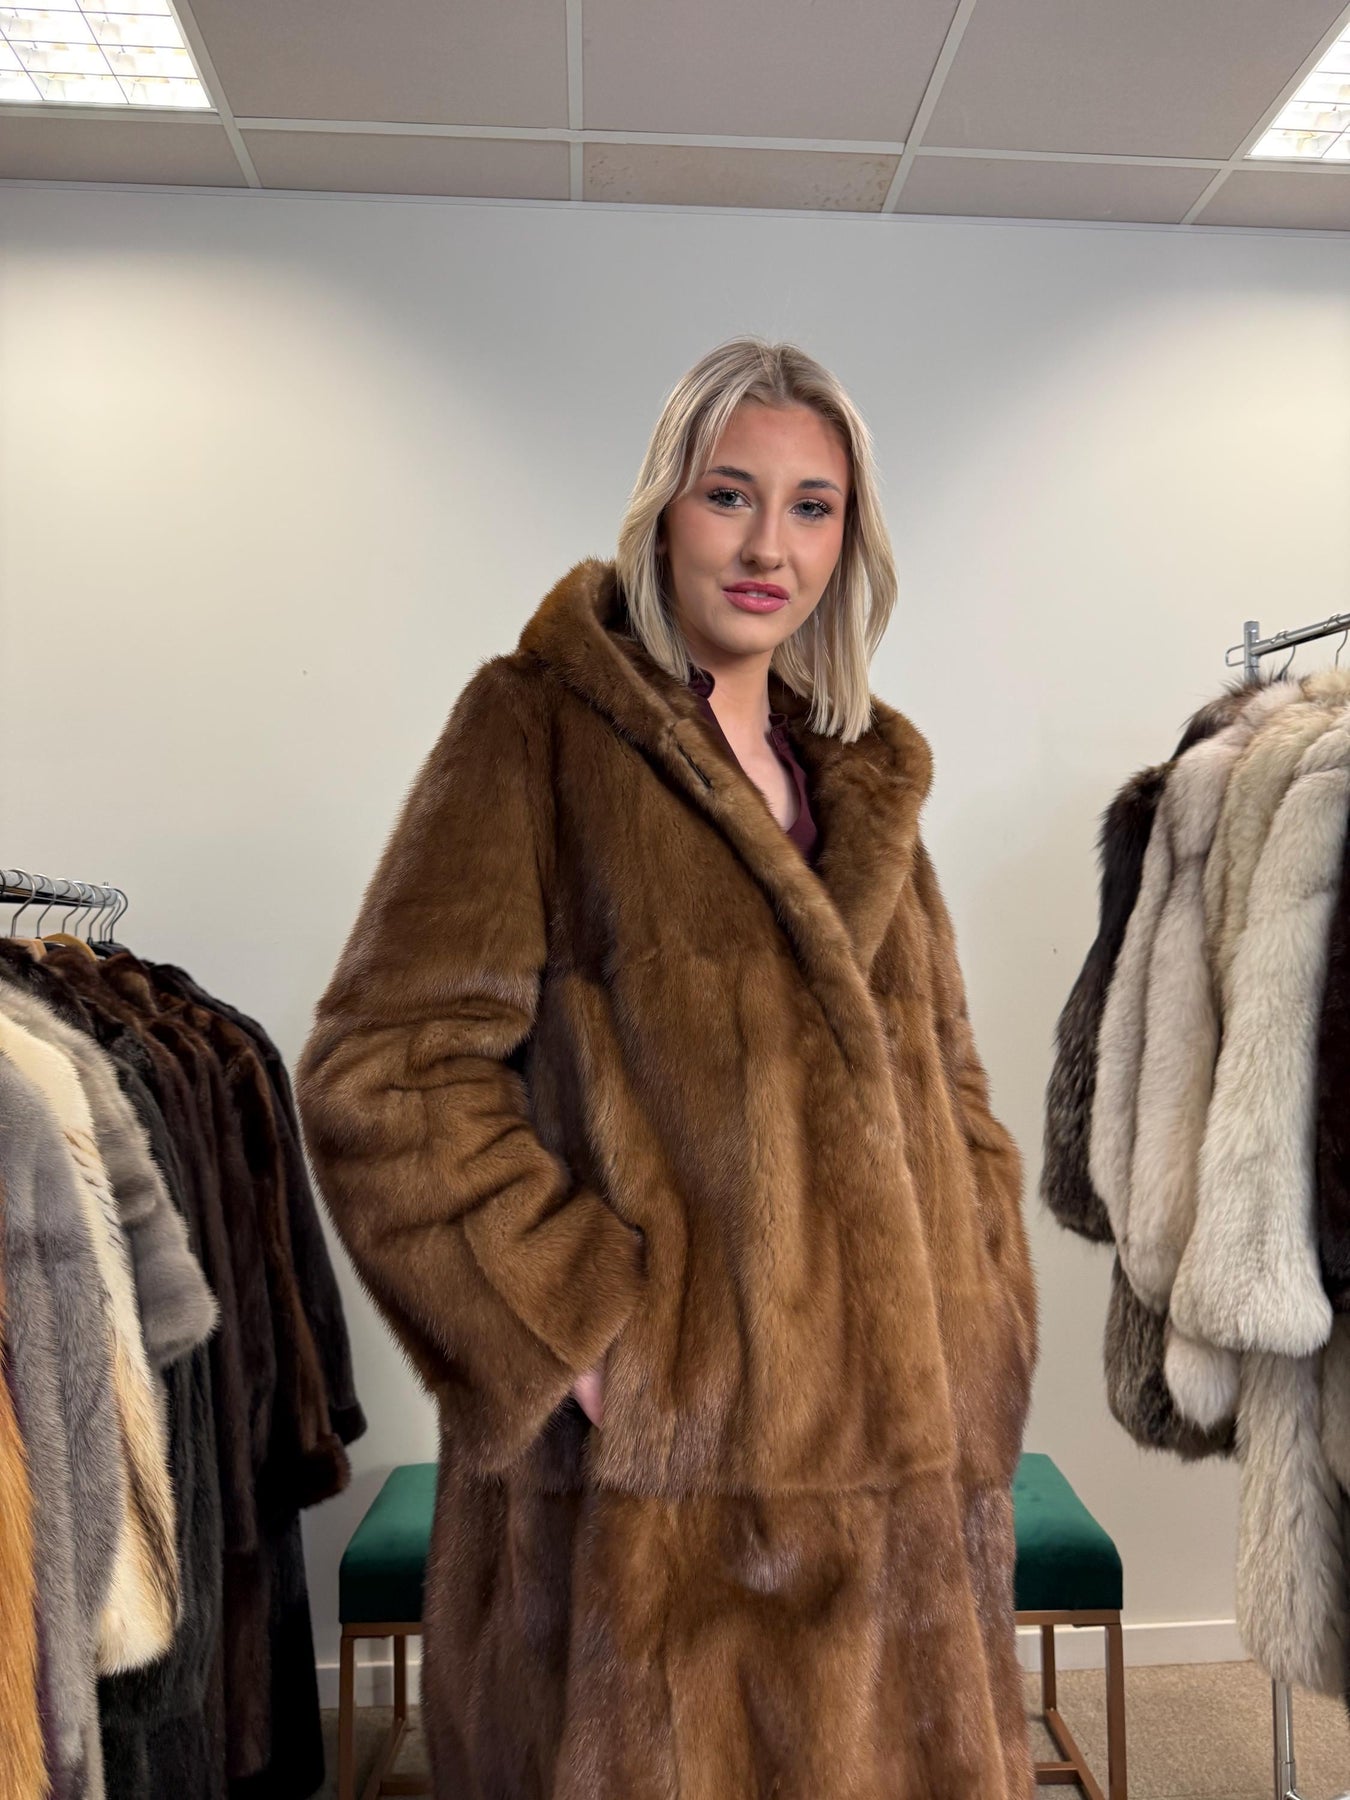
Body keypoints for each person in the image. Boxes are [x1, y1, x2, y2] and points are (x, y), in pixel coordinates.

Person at [295, 336, 1038, 1797]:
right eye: (730, 494)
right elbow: (385, 1070)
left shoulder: (858, 777)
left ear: (850, 538)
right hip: (657, 1520)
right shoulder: (536, 730)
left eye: (813, 507)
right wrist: (581, 1338)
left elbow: (947, 1081)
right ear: (664, 508)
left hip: (901, 1486)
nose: (770, 548)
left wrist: (983, 1304)